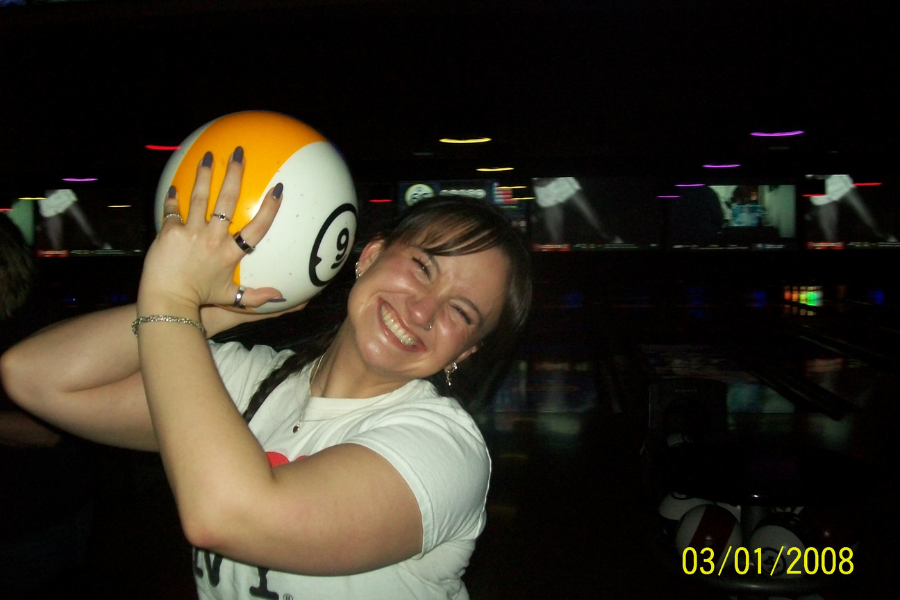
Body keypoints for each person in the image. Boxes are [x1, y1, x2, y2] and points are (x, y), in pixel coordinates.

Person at [1, 147, 532, 599]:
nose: (422, 311)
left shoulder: (446, 451)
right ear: (369, 255)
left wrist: (171, 296)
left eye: (461, 312)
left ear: (466, 351)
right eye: (422, 267)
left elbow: (228, 515)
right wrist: (221, 309)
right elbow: (34, 375)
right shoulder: (251, 383)